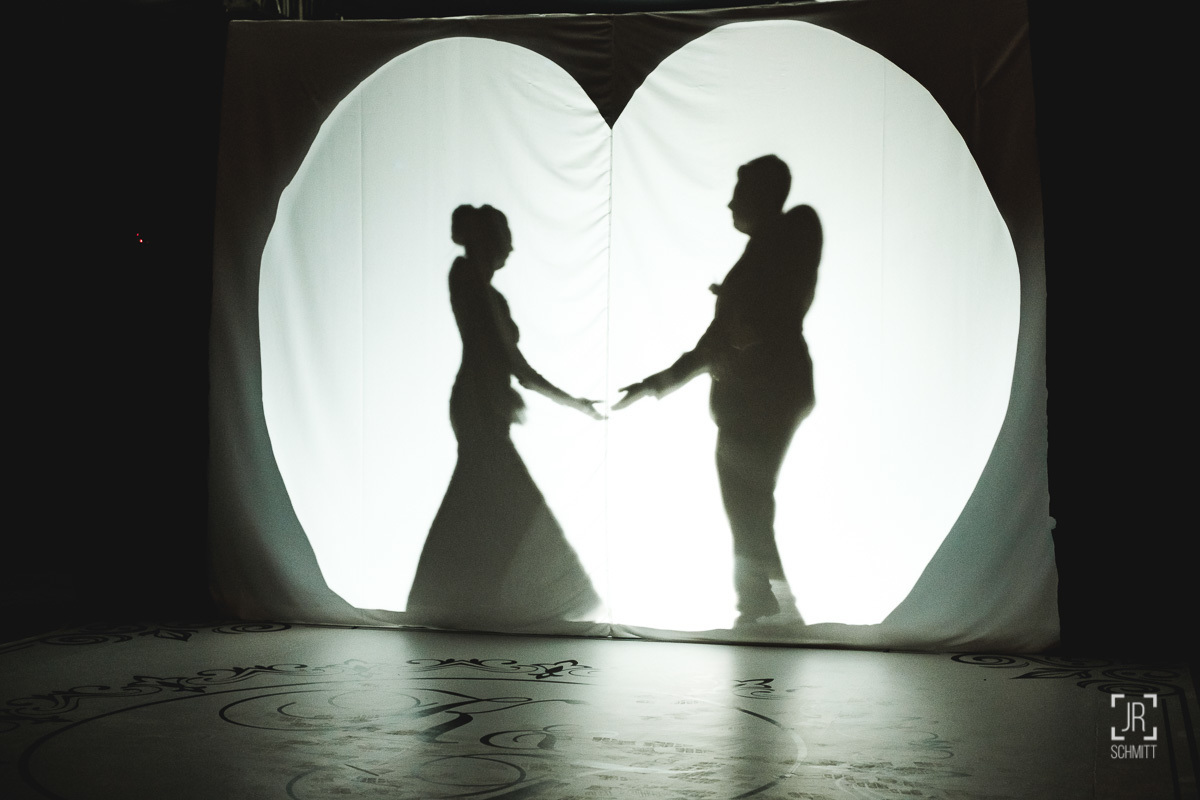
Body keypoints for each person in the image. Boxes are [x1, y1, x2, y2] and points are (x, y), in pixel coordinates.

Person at [614, 156, 821, 625]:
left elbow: (775, 305)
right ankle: (765, 608)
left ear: (765, 194)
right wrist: (658, 382)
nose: (730, 202)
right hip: (749, 398)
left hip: (768, 392)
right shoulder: (755, 259)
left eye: (740, 190)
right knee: (747, 505)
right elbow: (716, 338)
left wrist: (739, 311)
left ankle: (764, 608)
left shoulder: (794, 229)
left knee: (747, 503)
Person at [407, 204, 603, 628]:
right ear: (487, 241)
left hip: (489, 403)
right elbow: (514, 362)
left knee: (482, 495)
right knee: (501, 491)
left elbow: (517, 368)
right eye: (504, 237)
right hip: (477, 403)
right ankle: (464, 596)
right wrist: (570, 401)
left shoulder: (488, 292)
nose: (511, 248)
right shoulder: (465, 275)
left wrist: (572, 402)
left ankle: (451, 596)